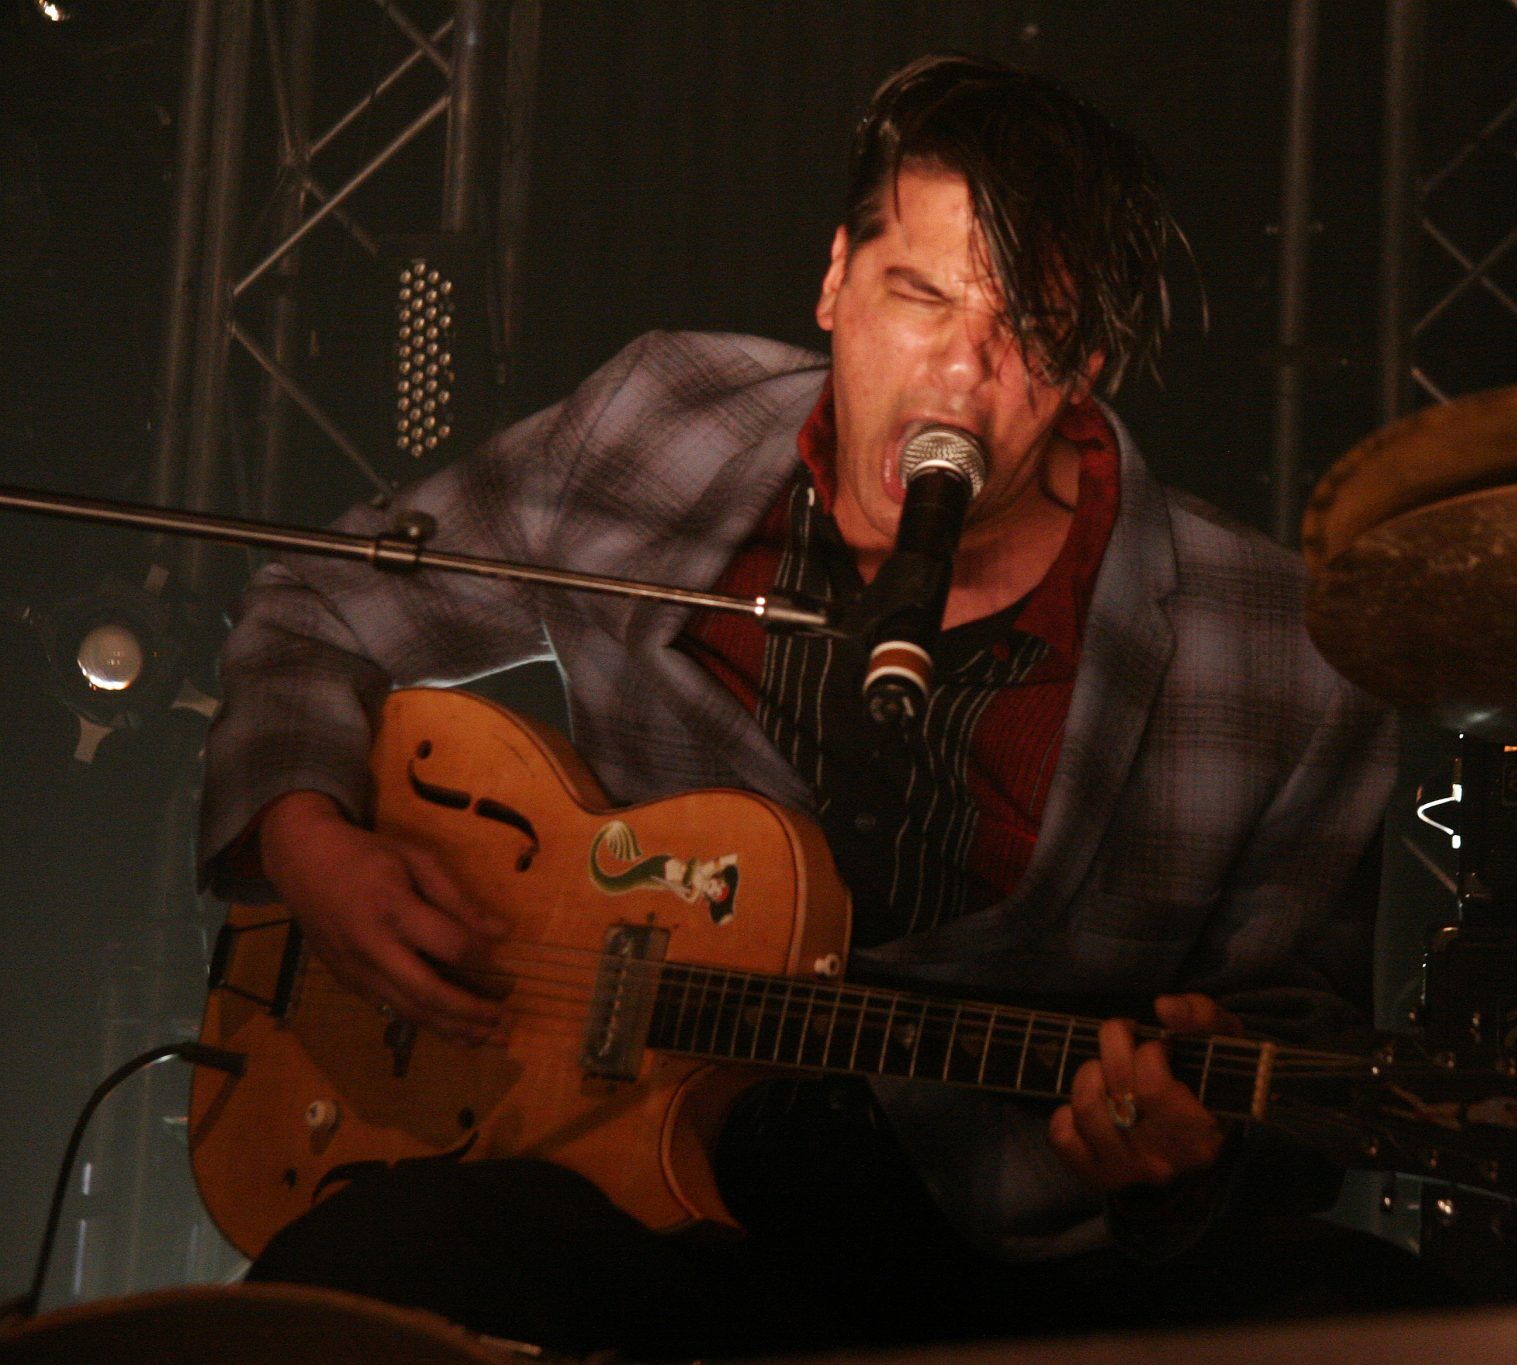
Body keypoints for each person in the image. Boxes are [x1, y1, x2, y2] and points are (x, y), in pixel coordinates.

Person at [199, 54, 1422, 1357]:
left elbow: (1298, 1063)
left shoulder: (1282, 653)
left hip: (1006, 1264)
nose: (959, 375)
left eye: (1028, 333)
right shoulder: (660, 422)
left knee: (1391, 1321)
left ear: (1089, 369)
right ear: (837, 279)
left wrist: (1185, 1164)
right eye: (919, 295)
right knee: (341, 1289)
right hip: (632, 1203)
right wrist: (306, 839)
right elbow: (323, 599)